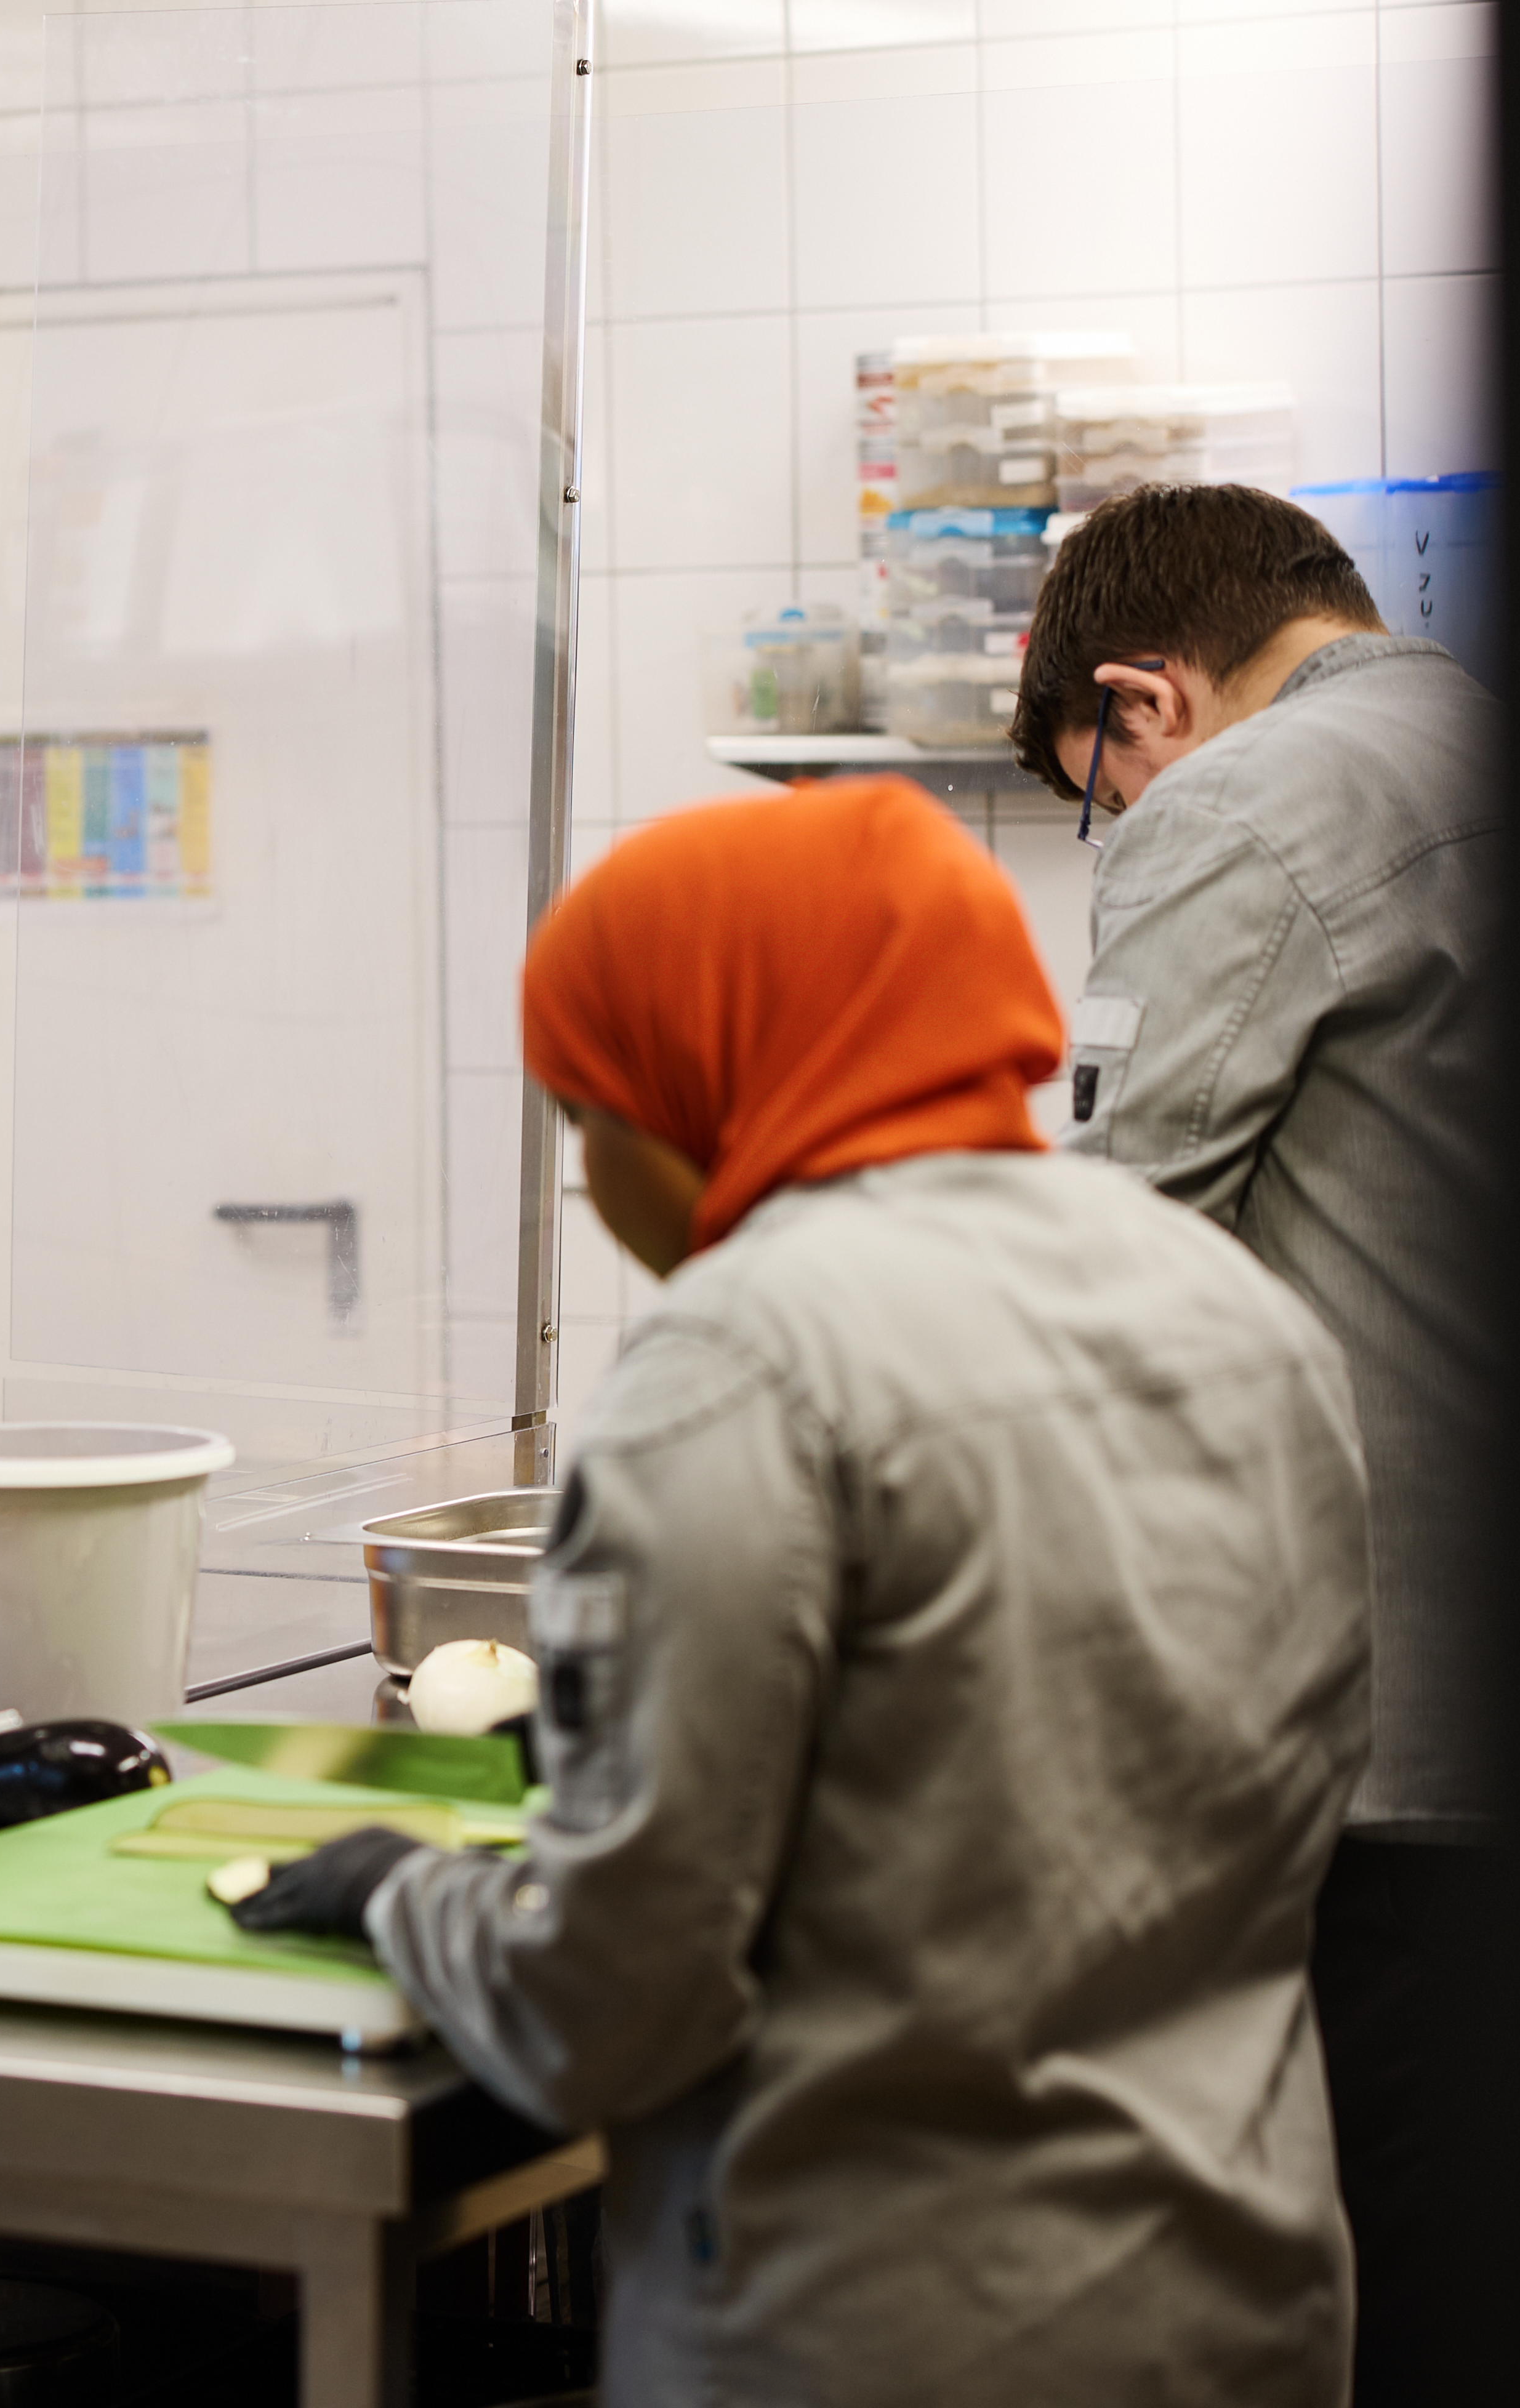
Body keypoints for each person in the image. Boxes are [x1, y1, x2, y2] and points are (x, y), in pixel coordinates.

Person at [235, 779, 1373, 2407]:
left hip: (887, 2328)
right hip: (1239, 2299)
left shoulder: (739, 1363)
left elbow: (608, 2006)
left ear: (697, 1079)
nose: (596, 1180)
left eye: (587, 1113)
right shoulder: (1231, 1305)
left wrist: (404, 1896)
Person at [1008, 480, 1498, 2407]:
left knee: (1380, 2293)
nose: (1119, 832)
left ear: (1147, 702)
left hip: (1396, 1765)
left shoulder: (1243, 802)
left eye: (1095, 797)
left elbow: (1113, 1246)